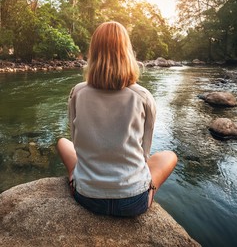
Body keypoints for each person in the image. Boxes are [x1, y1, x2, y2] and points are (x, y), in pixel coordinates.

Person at [57, 21, 177, 217]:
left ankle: (74, 178)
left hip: (87, 197)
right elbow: (145, 153)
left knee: (63, 143)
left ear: (93, 52)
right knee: (169, 156)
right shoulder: (143, 96)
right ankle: (149, 192)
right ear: (126, 52)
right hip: (133, 201)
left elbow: (76, 140)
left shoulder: (77, 92)